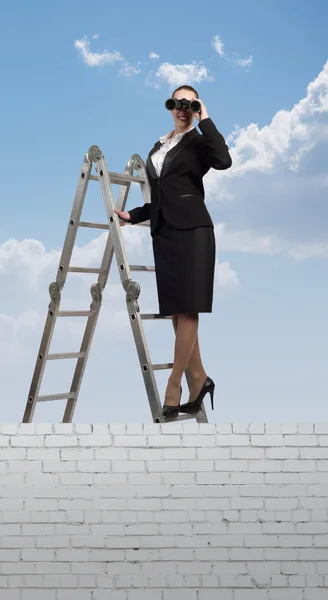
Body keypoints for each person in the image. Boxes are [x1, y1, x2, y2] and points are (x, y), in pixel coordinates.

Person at [113, 84, 232, 418]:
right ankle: (200, 377)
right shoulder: (159, 145)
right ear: (169, 107)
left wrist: (205, 119)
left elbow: (224, 160)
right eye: (177, 103)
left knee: (189, 309)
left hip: (194, 232)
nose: (182, 109)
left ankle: (174, 382)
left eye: (189, 104)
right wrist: (133, 216)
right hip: (164, 234)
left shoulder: (199, 143)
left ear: (195, 108)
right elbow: (160, 195)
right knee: (177, 312)